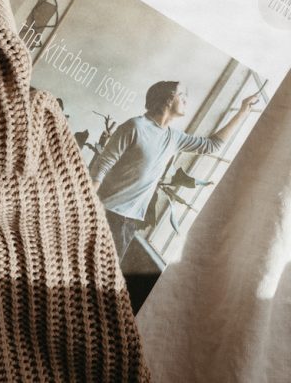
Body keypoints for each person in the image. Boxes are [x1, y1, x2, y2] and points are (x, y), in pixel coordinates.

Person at [89, 80, 260, 262]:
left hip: (129, 222)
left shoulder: (174, 138)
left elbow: (212, 145)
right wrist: (88, 207)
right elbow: (103, 165)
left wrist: (243, 111)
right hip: (107, 212)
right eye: (182, 96)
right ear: (169, 99)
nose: (186, 100)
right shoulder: (134, 126)